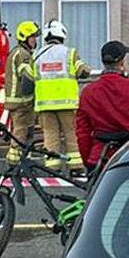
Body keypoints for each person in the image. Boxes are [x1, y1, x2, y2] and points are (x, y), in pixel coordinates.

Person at [75, 40, 129, 171]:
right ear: (122, 62)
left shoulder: (88, 92)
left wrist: (88, 160)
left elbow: (82, 132)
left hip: (99, 157)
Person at [32, 19, 90, 171]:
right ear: (62, 36)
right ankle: (76, 166)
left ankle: (52, 167)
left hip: (44, 104)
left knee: (50, 136)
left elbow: (31, 77)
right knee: (71, 135)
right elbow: (83, 71)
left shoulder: (37, 55)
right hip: (67, 103)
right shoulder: (69, 53)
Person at [2, 21, 41, 164]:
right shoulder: (22, 54)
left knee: (27, 132)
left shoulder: (18, 52)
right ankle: (13, 163)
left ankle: (24, 161)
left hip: (19, 101)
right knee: (20, 133)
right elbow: (27, 76)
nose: (35, 41)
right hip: (21, 102)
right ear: (24, 37)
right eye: (32, 37)